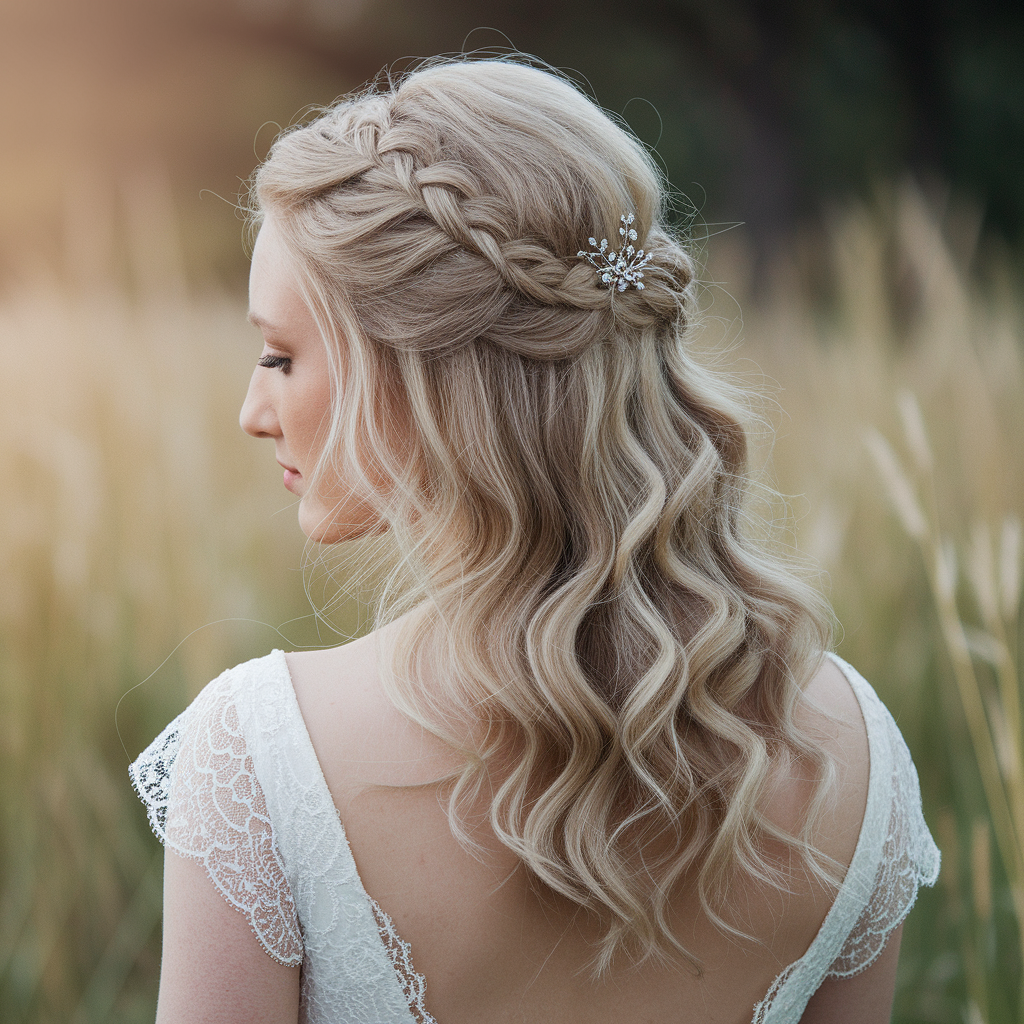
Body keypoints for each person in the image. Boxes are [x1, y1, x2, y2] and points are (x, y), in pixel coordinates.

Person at [130, 58, 939, 1024]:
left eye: (282, 354)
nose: (252, 411)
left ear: (423, 375)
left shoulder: (260, 760)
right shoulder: (852, 752)